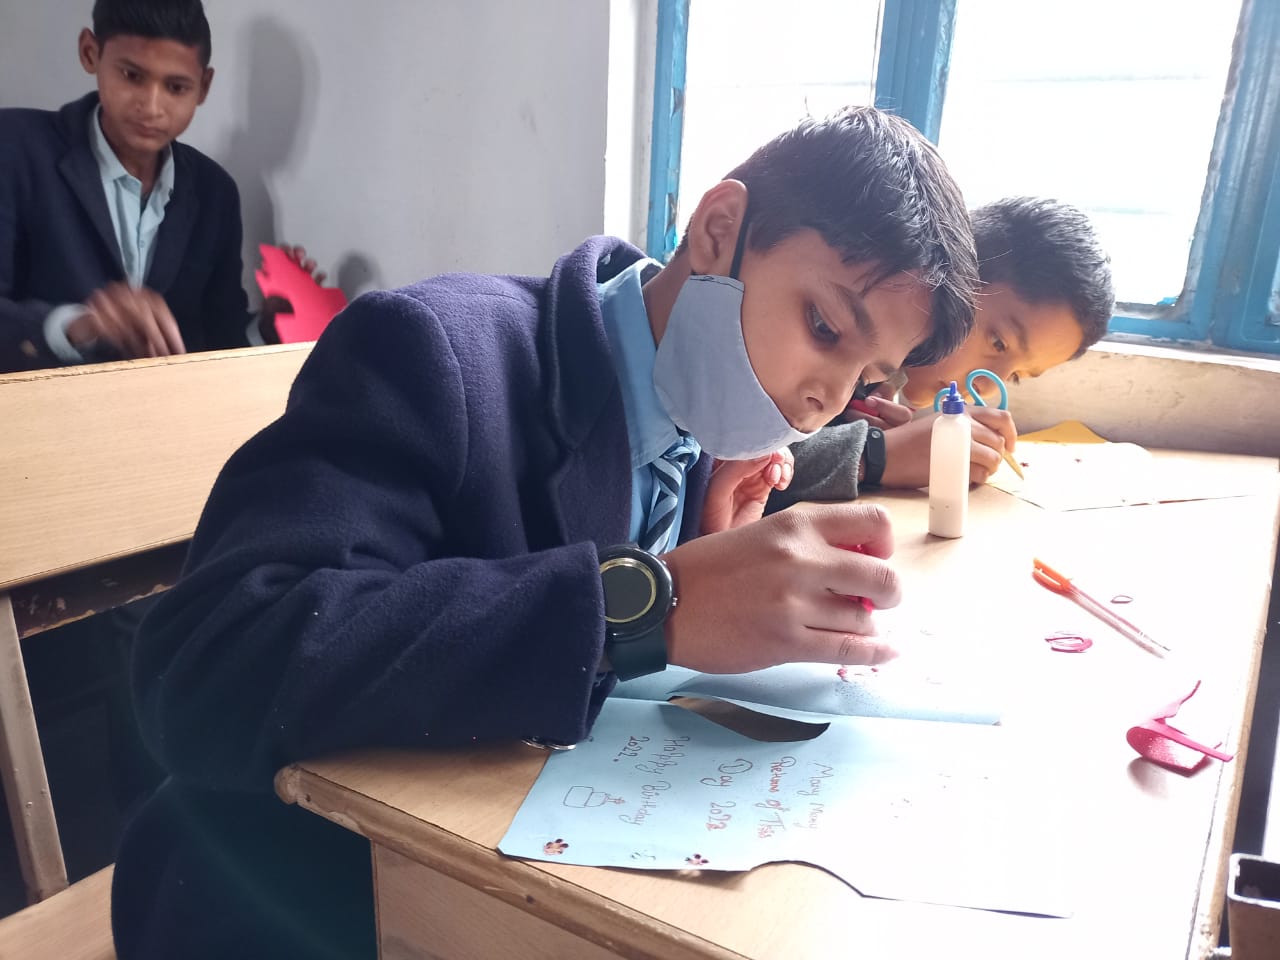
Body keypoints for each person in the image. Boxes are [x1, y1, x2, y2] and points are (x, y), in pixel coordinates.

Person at [110, 105, 979, 958]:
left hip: (507, 875)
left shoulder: (701, 429)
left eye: (867, 376)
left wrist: (690, 560)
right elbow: (206, 667)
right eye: (824, 327)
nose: (828, 397)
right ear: (720, 229)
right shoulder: (434, 351)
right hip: (288, 894)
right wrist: (649, 604)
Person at [0, 0, 320, 373]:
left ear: (203, 86)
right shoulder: (13, 147)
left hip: (173, 407)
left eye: (176, 87)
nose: (152, 107)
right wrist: (77, 327)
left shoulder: (215, 193)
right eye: (132, 76)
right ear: (90, 53)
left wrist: (268, 326)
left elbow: (218, 338)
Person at [768, 196, 1114, 507]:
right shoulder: (823, 334)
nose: (987, 387)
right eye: (998, 343)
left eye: (1015, 376)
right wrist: (877, 455)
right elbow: (743, 463)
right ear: (952, 278)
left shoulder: (884, 385)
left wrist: (864, 436)